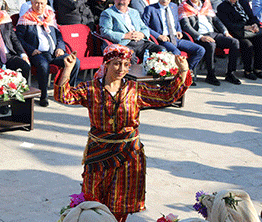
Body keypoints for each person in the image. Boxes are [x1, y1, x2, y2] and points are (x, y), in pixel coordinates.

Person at [54, 44, 191, 222]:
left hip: (128, 154)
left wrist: (183, 71)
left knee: (120, 202)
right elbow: (63, 96)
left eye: (126, 64)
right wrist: (68, 69)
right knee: (92, 201)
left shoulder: (135, 89)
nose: (122, 69)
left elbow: (166, 95)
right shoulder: (91, 89)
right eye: (117, 63)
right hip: (98, 153)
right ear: (107, 64)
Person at [16, 0, 80, 107]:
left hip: (54, 53)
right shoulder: (25, 19)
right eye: (36, 3)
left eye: (42, 4)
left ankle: (68, 90)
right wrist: (31, 50)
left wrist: (60, 48)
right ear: (32, 3)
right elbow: (19, 39)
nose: (39, 6)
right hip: (38, 53)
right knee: (43, 65)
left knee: (74, 61)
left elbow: (59, 36)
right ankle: (43, 95)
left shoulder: (50, 17)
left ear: (46, 4)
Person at [179, 0, 241, 85]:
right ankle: (211, 75)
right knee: (211, 45)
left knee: (234, 42)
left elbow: (216, 20)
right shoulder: (183, 6)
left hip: (212, 33)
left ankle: (230, 73)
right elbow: (186, 26)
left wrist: (225, 32)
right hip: (199, 35)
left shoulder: (206, 4)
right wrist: (201, 37)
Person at [142, 0, 206, 73]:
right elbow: (144, 26)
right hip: (163, 39)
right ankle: (176, 74)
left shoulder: (174, 6)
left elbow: (176, 22)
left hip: (176, 38)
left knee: (200, 50)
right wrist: (159, 36)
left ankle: (187, 71)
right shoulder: (150, 9)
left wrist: (179, 30)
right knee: (176, 52)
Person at [99, 0, 165, 60]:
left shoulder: (134, 12)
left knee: (161, 50)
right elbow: (105, 32)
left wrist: (141, 34)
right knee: (129, 57)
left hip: (141, 43)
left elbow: (144, 28)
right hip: (124, 44)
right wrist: (125, 36)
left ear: (129, 1)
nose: (121, 2)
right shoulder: (108, 13)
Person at [216, 0, 262, 80]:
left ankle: (258, 69)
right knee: (247, 44)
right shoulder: (222, 7)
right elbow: (228, 24)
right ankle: (248, 71)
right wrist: (244, 27)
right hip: (236, 32)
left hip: (249, 30)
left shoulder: (243, 2)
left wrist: (255, 25)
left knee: (260, 40)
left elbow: (251, 16)